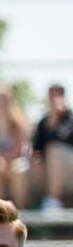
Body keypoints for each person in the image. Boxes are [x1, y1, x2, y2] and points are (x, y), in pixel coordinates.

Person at [30, 83, 73, 212]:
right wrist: (36, 162)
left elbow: (59, 140)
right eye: (51, 96)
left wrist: (56, 119)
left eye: (57, 96)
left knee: (54, 150)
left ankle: (53, 200)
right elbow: (37, 148)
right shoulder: (43, 122)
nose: (53, 100)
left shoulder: (70, 119)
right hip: (48, 169)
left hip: (69, 167)